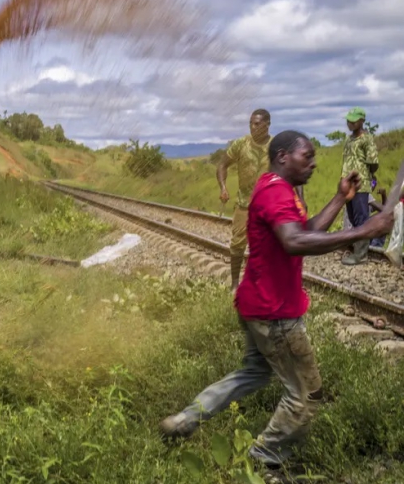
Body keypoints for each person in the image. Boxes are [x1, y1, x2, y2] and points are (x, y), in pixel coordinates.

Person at [160, 131, 393, 482]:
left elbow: (306, 229)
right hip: (275, 314)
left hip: (257, 303)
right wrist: (364, 231)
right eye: (307, 156)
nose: (313, 163)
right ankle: (265, 459)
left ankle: (185, 420)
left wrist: (340, 198)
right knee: (306, 392)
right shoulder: (273, 192)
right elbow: (295, 241)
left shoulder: (279, 189)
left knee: (252, 373)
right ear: (283, 156)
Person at [217, 109, 271, 291]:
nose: (253, 127)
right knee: (238, 244)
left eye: (257, 124)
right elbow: (223, 164)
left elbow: (291, 170)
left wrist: (298, 198)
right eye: (251, 124)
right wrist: (223, 187)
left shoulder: (276, 146)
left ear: (267, 124)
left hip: (267, 205)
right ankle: (234, 284)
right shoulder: (241, 144)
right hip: (244, 204)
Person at [340, 107, 380, 265]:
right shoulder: (348, 140)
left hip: (360, 185)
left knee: (361, 218)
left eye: (354, 120)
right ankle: (357, 249)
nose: (350, 123)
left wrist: (367, 176)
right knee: (352, 217)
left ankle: (361, 255)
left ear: (362, 120)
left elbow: (373, 162)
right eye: (348, 120)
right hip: (347, 185)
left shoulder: (366, 139)